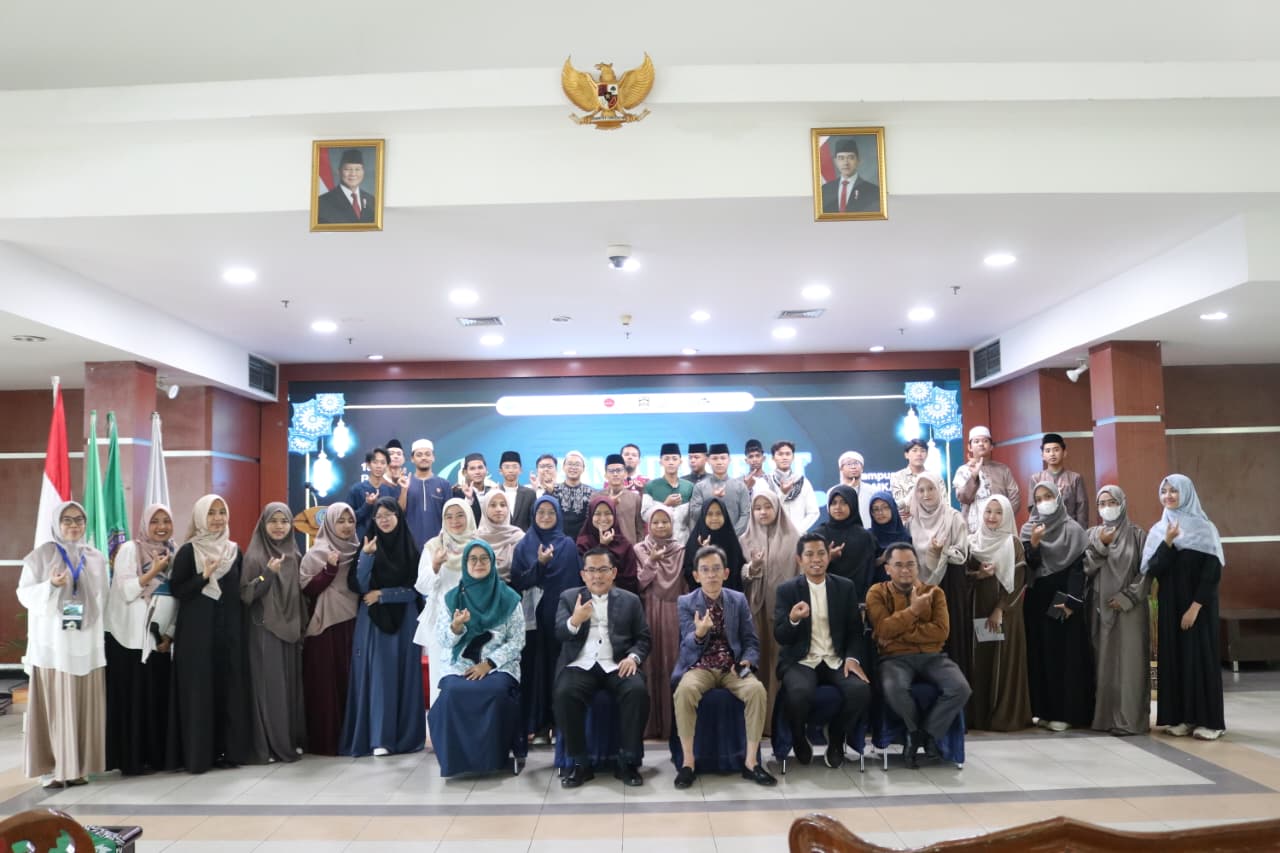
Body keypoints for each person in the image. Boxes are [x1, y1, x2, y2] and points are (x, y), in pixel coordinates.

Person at [671, 545, 776, 789]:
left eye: (716, 569)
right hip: (699, 665)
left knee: (757, 691)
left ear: (726, 573)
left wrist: (747, 661)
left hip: (732, 666)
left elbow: (750, 641)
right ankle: (688, 763)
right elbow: (686, 646)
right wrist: (699, 633)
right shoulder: (686, 602)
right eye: (705, 570)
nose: (711, 575)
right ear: (696, 575)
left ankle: (751, 763)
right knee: (685, 691)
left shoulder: (737, 600)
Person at [20, 501, 108, 788]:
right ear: (56, 524)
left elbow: (104, 597)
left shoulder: (95, 557)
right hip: (53, 647)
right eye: (67, 520)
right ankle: (51, 769)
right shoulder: (40, 556)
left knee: (83, 706)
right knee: (55, 707)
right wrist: (51, 586)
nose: (74, 525)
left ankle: (78, 767)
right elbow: (24, 594)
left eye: (79, 520)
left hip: (86, 643)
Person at [866, 543, 972, 767]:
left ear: (918, 566)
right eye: (899, 565)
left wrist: (897, 633)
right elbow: (882, 629)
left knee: (960, 688)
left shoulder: (934, 592)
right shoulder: (877, 592)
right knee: (894, 688)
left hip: (933, 656)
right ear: (887, 569)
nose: (905, 570)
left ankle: (928, 734)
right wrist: (913, 611)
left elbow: (941, 632)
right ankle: (914, 732)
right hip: (894, 659)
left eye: (911, 565)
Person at [553, 547, 652, 788]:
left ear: (614, 572)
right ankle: (579, 763)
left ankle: (628, 761)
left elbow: (643, 638)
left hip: (617, 664)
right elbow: (560, 633)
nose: (597, 576)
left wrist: (633, 658)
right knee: (564, 693)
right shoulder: (569, 597)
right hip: (580, 664)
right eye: (591, 570)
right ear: (583, 574)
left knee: (637, 691)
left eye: (603, 570)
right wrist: (575, 620)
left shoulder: (630, 600)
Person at [167, 495, 252, 773]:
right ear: (200, 517)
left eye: (221, 512)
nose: (217, 518)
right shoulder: (188, 551)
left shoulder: (234, 551)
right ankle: (198, 757)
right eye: (211, 513)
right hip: (197, 636)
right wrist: (203, 577)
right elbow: (178, 590)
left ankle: (228, 752)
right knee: (200, 694)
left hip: (229, 634)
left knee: (228, 691)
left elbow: (240, 593)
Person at [773, 534, 872, 768]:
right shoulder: (787, 590)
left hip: (836, 658)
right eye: (809, 554)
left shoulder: (845, 587)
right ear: (799, 559)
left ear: (829, 557)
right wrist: (793, 619)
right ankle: (799, 736)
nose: (816, 559)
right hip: (801, 660)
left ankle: (836, 736)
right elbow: (781, 636)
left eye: (821, 554)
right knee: (798, 692)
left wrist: (852, 658)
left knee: (861, 690)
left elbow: (855, 631)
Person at [429, 540, 526, 776]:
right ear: (465, 563)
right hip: (460, 664)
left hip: (499, 666)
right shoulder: (452, 598)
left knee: (496, 692)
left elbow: (517, 640)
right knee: (452, 694)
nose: (478, 563)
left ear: (492, 562)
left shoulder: (509, 598)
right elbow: (442, 640)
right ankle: (456, 761)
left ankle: (495, 758)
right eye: (473, 559)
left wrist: (489, 664)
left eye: (484, 558)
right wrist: (456, 627)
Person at [1141, 474, 1225, 740]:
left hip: (1199, 607)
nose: (1168, 496)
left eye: (1174, 491)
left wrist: (1195, 607)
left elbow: (1212, 572)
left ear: (1186, 493)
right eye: (1164, 491)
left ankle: (1210, 722)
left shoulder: (1205, 528)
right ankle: (1181, 718)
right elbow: (1153, 569)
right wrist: (1167, 542)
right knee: (1175, 660)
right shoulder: (1159, 530)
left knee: (1200, 660)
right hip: (1170, 607)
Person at [340, 498, 426, 757]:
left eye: (390, 514)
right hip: (374, 622)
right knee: (378, 677)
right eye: (379, 516)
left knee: (405, 677)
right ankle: (380, 738)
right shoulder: (368, 546)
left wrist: (384, 595)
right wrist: (367, 556)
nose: (385, 520)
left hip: (405, 620)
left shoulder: (410, 549)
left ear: (399, 517)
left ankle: (406, 737)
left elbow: (416, 590)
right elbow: (359, 585)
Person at [104, 503, 174, 776]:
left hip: (158, 641)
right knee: (132, 702)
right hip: (129, 641)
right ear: (145, 524)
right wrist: (153, 571)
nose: (161, 527)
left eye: (166, 521)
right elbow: (126, 591)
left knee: (154, 700)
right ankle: (131, 760)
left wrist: (170, 634)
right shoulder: (130, 550)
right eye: (155, 521)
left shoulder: (174, 551)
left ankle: (154, 757)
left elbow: (178, 596)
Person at [509, 496, 584, 743]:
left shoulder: (568, 545)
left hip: (561, 617)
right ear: (533, 515)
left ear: (559, 516)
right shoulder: (524, 546)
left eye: (551, 512)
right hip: (534, 620)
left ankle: (559, 722)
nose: (545, 517)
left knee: (559, 667)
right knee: (535, 670)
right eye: (541, 512)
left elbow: (576, 583)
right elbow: (518, 582)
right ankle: (537, 724)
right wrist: (540, 565)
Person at [1021, 480, 1094, 732]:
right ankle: (1043, 711)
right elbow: (1030, 566)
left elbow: (1079, 568)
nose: (1044, 502)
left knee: (1063, 654)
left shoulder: (1073, 530)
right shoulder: (1029, 528)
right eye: (1039, 499)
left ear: (1058, 498)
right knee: (1040, 653)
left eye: (1048, 496)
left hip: (1063, 597)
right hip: (1037, 598)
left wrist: (1072, 601)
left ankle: (1066, 712)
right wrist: (1034, 544)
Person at [240, 502, 307, 763]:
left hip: (291, 629)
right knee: (269, 689)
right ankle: (267, 745)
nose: (279, 526)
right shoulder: (255, 556)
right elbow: (246, 594)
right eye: (273, 521)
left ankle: (288, 740)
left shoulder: (294, 554)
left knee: (289, 688)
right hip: (264, 629)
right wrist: (267, 574)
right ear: (263, 524)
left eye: (284, 521)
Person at [1084, 485, 1150, 736]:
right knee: (1103, 663)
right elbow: (1085, 568)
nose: (1107, 508)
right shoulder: (1092, 534)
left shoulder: (1138, 535)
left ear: (1122, 503)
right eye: (1102, 504)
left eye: (1112, 502)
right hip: (1100, 610)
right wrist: (1101, 545)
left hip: (1130, 611)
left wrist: (1128, 597)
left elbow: (1147, 572)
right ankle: (1103, 719)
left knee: (1130, 664)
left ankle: (1129, 720)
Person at [965, 496, 1031, 732]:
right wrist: (979, 575)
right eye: (988, 511)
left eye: (998, 512)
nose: (992, 517)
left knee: (1003, 663)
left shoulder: (1013, 544)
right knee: (980, 663)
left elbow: (1019, 581)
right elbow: (962, 577)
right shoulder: (972, 542)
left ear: (1006, 516)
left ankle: (1003, 717)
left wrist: (1000, 609)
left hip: (1005, 614)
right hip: (978, 609)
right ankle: (980, 717)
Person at [299, 501, 360, 756]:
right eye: (340, 521)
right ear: (329, 524)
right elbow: (306, 588)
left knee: (350, 682)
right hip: (324, 626)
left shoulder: (359, 551)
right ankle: (325, 740)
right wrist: (329, 570)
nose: (346, 526)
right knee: (325, 684)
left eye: (350, 521)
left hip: (353, 624)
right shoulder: (317, 553)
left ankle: (351, 739)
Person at [739, 489, 800, 725]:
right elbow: (740, 577)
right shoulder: (744, 539)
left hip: (784, 614)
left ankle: (779, 723)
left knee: (779, 664)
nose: (763, 512)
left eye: (767, 507)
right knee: (757, 661)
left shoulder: (794, 538)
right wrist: (753, 566)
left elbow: (801, 575)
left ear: (777, 509)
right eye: (757, 508)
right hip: (754, 611)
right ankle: (757, 722)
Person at [908, 474, 972, 677]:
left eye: (931, 488)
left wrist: (941, 551)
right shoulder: (912, 521)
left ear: (940, 490)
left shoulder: (953, 517)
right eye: (921, 490)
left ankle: (956, 687)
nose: (925, 494)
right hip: (921, 588)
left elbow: (961, 555)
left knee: (951, 636)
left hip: (949, 583)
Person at [415, 498, 478, 706]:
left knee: (470, 679)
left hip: (473, 620)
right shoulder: (434, 547)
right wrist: (435, 565)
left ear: (468, 516)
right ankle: (440, 724)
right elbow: (422, 586)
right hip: (440, 622)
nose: (454, 521)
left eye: (460, 515)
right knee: (440, 680)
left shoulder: (478, 546)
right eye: (449, 517)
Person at [634, 504, 687, 740]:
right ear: (648, 525)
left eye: (665, 521)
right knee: (650, 663)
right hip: (649, 609)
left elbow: (685, 586)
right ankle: (651, 724)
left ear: (672, 524)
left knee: (672, 663)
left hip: (674, 611)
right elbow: (638, 583)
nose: (660, 526)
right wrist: (651, 561)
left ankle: (672, 726)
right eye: (655, 522)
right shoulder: (639, 549)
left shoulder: (681, 550)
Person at [809, 484, 879, 602]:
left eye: (844, 502)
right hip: (823, 597)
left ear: (852, 504)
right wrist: (827, 557)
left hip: (857, 600)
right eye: (834, 503)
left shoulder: (865, 537)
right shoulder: (818, 536)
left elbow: (870, 573)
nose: (838, 507)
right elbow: (807, 569)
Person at [953, 426, 1021, 534]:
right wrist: (973, 476)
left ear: (991, 446)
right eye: (976, 441)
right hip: (973, 532)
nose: (981, 444)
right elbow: (963, 498)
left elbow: (1015, 497)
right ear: (969, 447)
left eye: (985, 441)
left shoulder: (1003, 469)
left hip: (1000, 529)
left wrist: (1002, 519)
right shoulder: (963, 470)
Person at [575, 493, 640, 594]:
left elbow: (631, 580)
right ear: (591, 516)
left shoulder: (624, 545)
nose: (603, 518)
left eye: (608, 513)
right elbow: (583, 576)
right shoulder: (583, 544)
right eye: (597, 514)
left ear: (614, 515)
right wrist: (602, 546)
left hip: (620, 598)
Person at [681, 497, 746, 592]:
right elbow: (689, 572)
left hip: (730, 596)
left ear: (725, 515)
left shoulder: (732, 541)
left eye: (719, 513)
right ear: (703, 516)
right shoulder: (695, 542)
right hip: (701, 596)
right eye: (709, 514)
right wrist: (703, 553)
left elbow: (738, 572)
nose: (714, 518)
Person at [399, 438, 452, 549]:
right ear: (412, 459)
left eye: (428, 454)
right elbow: (399, 512)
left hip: (438, 545)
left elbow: (450, 516)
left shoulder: (444, 484)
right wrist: (404, 490)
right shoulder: (403, 483)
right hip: (410, 545)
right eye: (419, 455)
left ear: (433, 457)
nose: (424, 457)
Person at [688, 443, 751, 535]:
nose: (719, 462)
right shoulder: (700, 487)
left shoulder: (740, 486)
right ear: (708, 461)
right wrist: (712, 498)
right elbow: (694, 514)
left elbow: (745, 514)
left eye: (723, 458)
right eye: (715, 458)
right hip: (708, 538)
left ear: (729, 460)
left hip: (735, 538)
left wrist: (733, 534)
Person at [1029, 433, 1090, 529]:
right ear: (1042, 455)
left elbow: (1082, 508)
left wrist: (1081, 532)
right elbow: (1033, 508)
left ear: (1064, 453)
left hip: (1070, 528)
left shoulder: (1075, 478)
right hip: (1045, 529)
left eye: (1056, 450)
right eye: (1048, 451)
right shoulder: (1036, 479)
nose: (1052, 454)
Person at [763, 440, 819, 533]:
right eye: (780, 454)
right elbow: (766, 510)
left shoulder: (802, 481)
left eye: (788, 454)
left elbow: (814, 512)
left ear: (793, 457)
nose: (784, 457)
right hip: (774, 534)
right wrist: (782, 493)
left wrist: (797, 531)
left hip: (799, 535)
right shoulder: (766, 482)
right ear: (773, 458)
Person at [643, 442, 694, 542]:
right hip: (658, 542)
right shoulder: (651, 486)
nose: (671, 462)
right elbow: (645, 515)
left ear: (680, 461)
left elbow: (692, 519)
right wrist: (665, 505)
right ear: (660, 462)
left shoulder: (689, 487)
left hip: (683, 542)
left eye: (674, 459)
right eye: (666, 459)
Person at [890, 439, 948, 524]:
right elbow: (900, 506)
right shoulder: (897, 477)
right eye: (914, 450)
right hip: (908, 525)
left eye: (923, 451)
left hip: (933, 523)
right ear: (906, 455)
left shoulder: (935, 477)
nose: (919, 454)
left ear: (927, 455)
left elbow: (944, 504)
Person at [820, 136, 880, 214]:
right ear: (835, 161)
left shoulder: (873, 191)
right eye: (841, 158)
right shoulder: (825, 190)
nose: (846, 163)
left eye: (850, 158)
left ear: (858, 160)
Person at [476, 490, 526, 583]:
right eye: (493, 505)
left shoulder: (518, 536)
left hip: (513, 589)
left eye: (503, 505)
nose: (498, 509)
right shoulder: (476, 538)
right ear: (485, 508)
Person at [349, 448, 398, 542]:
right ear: (368, 465)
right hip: (362, 542)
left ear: (387, 466)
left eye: (382, 463)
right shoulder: (356, 490)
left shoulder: (391, 491)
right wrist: (367, 505)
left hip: (386, 542)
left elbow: (396, 518)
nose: (379, 466)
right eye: (375, 462)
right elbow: (350, 519)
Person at [317, 147, 376, 224]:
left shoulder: (371, 200)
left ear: (363, 172)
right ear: (339, 171)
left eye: (357, 169)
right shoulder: (322, 202)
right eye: (347, 169)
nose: (353, 174)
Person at [596, 453, 644, 545]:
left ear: (625, 474)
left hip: (629, 549)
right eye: (611, 471)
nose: (615, 474)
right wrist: (608, 503)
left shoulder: (635, 498)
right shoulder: (596, 497)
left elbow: (640, 529)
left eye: (619, 470)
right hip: (604, 548)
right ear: (605, 475)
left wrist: (638, 549)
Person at [553, 450, 594, 540]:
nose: (573, 467)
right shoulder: (554, 490)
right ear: (563, 467)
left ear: (583, 468)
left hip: (582, 542)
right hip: (557, 540)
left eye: (577, 464)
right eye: (570, 464)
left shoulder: (591, 492)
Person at [497, 450, 536, 531]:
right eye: (507, 467)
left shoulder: (530, 494)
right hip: (499, 537)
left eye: (515, 467)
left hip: (523, 537)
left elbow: (533, 522)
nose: (511, 470)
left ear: (520, 470)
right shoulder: (494, 493)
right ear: (500, 471)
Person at [452, 452, 494, 525]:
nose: (477, 472)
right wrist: (469, 499)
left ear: (486, 470)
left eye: (480, 467)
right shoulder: (457, 493)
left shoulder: (493, 491)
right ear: (464, 472)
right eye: (472, 469)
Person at [868, 490, 909, 565]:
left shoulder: (904, 536)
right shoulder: (867, 537)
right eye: (876, 509)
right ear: (872, 513)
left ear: (893, 509)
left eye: (885, 507)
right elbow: (862, 567)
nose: (880, 512)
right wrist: (881, 560)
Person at [835, 450, 874, 527]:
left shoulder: (873, 491)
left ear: (862, 468)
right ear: (841, 469)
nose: (853, 467)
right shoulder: (833, 492)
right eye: (849, 464)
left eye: (856, 463)